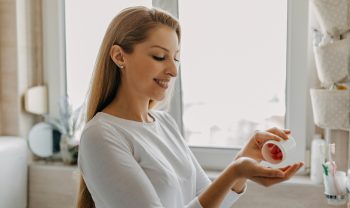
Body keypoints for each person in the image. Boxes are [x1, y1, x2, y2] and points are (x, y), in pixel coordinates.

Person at [77, 6, 304, 208]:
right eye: (159, 56)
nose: (173, 70)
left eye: (176, 58)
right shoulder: (100, 136)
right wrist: (237, 170)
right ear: (119, 56)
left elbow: (207, 199)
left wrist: (246, 158)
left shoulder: (164, 123)